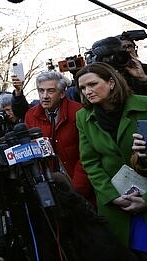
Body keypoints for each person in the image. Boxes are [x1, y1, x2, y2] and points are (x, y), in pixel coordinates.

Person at [75, 62, 147, 260]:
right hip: (117, 207)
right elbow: (90, 162)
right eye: (83, 88)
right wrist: (112, 196)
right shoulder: (83, 117)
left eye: (93, 84)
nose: (88, 91)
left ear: (111, 82)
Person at [24, 70, 95, 205]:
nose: (44, 96)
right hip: (50, 188)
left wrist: (77, 189)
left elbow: (87, 154)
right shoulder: (31, 115)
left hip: (80, 185)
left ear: (62, 93)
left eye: (50, 91)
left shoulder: (79, 112)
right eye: (41, 91)